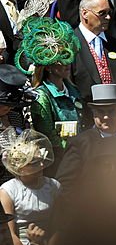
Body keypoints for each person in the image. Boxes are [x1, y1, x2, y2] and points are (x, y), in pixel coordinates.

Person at [56, 84, 116, 194]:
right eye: (101, 112)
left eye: (112, 111)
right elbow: (65, 184)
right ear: (93, 114)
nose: (106, 117)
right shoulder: (80, 143)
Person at [24, 18, 81, 156]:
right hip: (60, 159)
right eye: (60, 60)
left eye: (68, 57)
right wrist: (75, 149)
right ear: (48, 66)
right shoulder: (42, 97)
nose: (67, 64)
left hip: (79, 154)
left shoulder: (73, 90)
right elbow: (47, 137)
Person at [0, 130, 59, 245]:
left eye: (41, 160)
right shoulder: (8, 191)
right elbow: (10, 234)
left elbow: (60, 222)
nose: (42, 165)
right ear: (21, 167)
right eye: (35, 163)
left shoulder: (53, 186)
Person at [71, 0, 116, 103]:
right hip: (86, 113)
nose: (108, 17)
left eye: (109, 12)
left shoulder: (115, 45)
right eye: (102, 13)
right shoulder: (70, 45)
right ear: (85, 13)